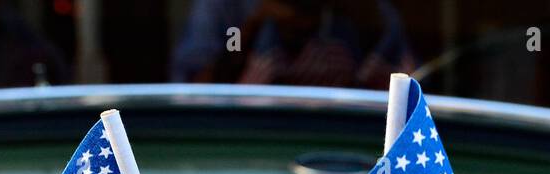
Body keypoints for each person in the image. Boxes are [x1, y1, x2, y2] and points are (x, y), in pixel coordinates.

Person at [172, 0, 413, 88]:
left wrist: (357, 17)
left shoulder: (372, 13)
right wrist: (249, 30)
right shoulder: (230, 9)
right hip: (245, 140)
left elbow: (409, 93)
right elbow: (191, 91)